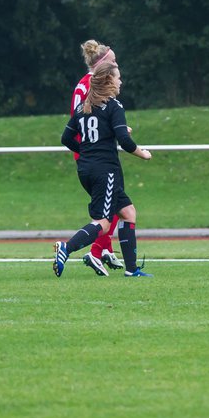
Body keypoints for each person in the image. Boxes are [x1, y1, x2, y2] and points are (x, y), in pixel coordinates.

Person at [53, 60, 154, 279]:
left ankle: (131, 269)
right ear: (109, 80)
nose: (121, 81)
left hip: (87, 170)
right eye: (118, 77)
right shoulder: (114, 106)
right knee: (104, 224)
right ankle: (66, 248)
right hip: (105, 171)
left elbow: (66, 138)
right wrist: (142, 153)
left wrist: (87, 150)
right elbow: (125, 141)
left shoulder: (83, 107)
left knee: (128, 213)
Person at [70, 40, 124, 276]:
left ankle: (105, 248)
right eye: (112, 61)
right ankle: (95, 250)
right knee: (109, 206)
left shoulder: (85, 83)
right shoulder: (90, 84)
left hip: (91, 150)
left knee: (110, 203)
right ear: (102, 64)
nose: (116, 65)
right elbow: (82, 119)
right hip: (93, 151)